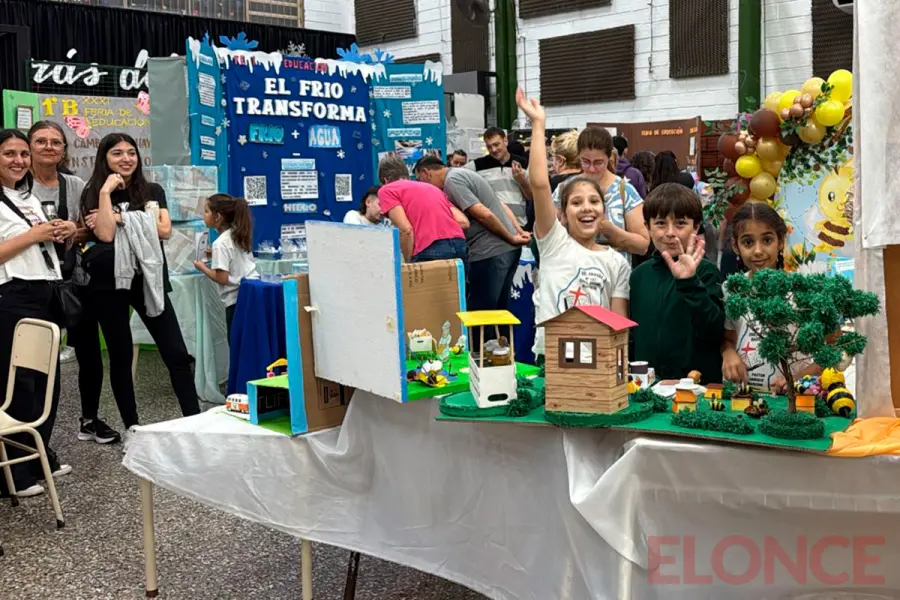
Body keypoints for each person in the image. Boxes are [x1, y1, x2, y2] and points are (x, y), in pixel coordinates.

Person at [73, 133, 199, 447]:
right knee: (120, 355)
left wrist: (121, 218)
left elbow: (165, 230)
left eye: (131, 153)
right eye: (117, 154)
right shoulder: (94, 192)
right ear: (105, 158)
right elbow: (103, 234)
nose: (126, 159)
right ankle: (133, 429)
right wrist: (105, 194)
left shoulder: (152, 189)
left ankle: (196, 422)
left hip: (149, 277)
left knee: (177, 354)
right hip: (107, 281)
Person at [515, 91, 630, 360]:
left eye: (594, 201)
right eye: (576, 203)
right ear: (563, 214)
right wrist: (538, 124)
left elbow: (618, 322)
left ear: (603, 211)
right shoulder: (553, 243)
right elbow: (540, 184)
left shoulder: (617, 263)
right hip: (551, 358)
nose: (587, 207)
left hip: (596, 361)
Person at [0, 129, 73, 497]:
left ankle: (38, 456)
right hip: (14, 296)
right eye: (9, 154)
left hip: (47, 292)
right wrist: (34, 235)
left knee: (48, 384)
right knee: (19, 385)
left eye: (23, 154)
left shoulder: (25, 196)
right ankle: (13, 473)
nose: (19, 161)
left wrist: (61, 230)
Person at [414, 156, 530, 342]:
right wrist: (517, 231)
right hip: (505, 249)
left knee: (480, 316)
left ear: (426, 174)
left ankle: (481, 361)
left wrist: (511, 236)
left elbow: (483, 214)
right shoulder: (466, 174)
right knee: (499, 312)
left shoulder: (453, 180)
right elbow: (500, 205)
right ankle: (503, 358)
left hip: (490, 251)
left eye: (421, 181)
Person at [629, 182, 725, 383]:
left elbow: (714, 330)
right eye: (661, 223)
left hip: (695, 386)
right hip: (649, 386)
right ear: (647, 227)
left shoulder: (706, 272)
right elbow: (635, 335)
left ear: (696, 227)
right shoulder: (639, 276)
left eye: (680, 223)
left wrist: (689, 282)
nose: (670, 232)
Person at [720, 202, 820, 393]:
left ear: (781, 241)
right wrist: (728, 353)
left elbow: (833, 349)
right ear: (735, 245)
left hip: (793, 400)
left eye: (767, 240)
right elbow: (728, 338)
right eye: (748, 242)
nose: (758, 251)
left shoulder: (802, 290)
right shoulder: (731, 289)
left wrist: (800, 377)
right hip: (742, 397)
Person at [28, 121, 84, 365]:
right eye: (41, 141)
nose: (48, 147)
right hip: (27, 281)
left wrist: (73, 228)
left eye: (55, 142)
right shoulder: (14, 186)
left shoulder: (75, 185)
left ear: (64, 149)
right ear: (28, 147)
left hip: (67, 280)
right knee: (31, 358)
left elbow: (94, 230)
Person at [552, 127, 650, 262]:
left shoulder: (625, 191)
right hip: (573, 273)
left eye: (598, 162)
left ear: (609, 157)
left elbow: (643, 245)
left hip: (614, 276)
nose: (591, 169)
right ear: (578, 156)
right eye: (585, 161)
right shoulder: (564, 189)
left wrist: (613, 233)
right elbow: (548, 233)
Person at [376, 156, 469, 265]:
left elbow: (405, 230)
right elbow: (463, 222)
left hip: (429, 248)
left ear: (385, 180)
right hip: (459, 245)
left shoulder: (387, 190)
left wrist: (407, 263)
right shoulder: (433, 188)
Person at [194, 194, 258, 342]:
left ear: (218, 217)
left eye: (207, 211)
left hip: (236, 302)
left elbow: (222, 278)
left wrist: (202, 267)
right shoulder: (237, 234)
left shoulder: (220, 243)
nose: (204, 215)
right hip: (250, 293)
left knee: (236, 344)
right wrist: (214, 255)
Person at [468, 127, 532, 230]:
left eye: (496, 144)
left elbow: (531, 197)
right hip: (492, 226)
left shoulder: (523, 163)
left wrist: (522, 181)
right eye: (489, 147)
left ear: (505, 141)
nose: (493, 150)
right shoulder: (477, 165)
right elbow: (456, 177)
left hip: (519, 224)